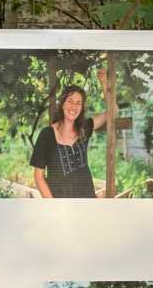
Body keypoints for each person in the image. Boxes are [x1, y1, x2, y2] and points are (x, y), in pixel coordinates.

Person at [31, 71, 108, 199]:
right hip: (61, 204)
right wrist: (53, 204)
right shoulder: (46, 135)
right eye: (70, 101)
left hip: (87, 200)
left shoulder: (84, 128)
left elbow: (113, 111)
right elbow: (38, 176)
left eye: (79, 103)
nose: (74, 107)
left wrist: (104, 83)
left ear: (82, 108)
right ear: (62, 104)